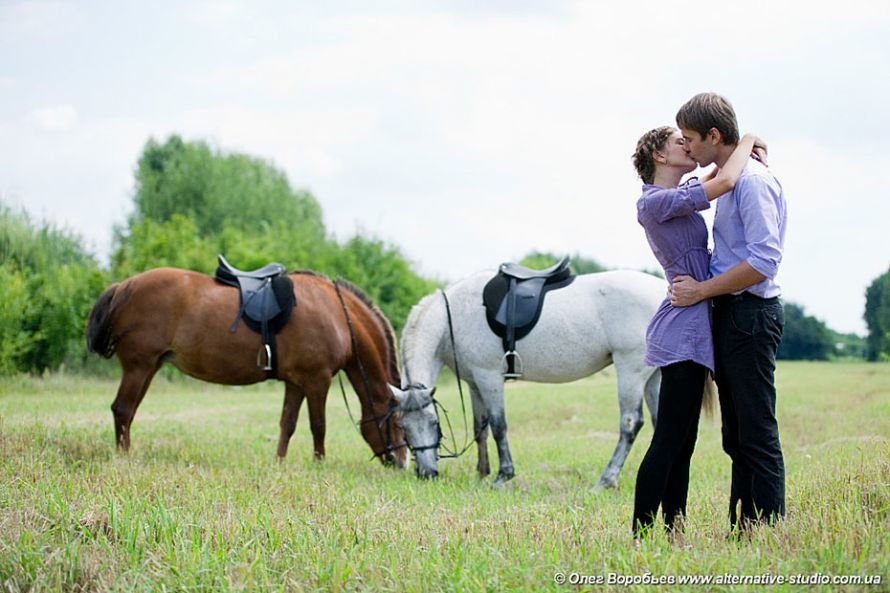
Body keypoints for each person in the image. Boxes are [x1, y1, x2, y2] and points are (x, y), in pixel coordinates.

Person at [631, 125, 762, 544]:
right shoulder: (652, 203)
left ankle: (673, 531)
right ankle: (642, 533)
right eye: (677, 142)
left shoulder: (679, 194)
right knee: (670, 437)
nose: (686, 145)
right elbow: (724, 181)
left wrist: (739, 153)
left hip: (693, 320)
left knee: (683, 440)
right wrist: (746, 140)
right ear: (659, 156)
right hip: (682, 326)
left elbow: (714, 181)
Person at [670, 92, 787, 533]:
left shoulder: (753, 183)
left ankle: (769, 530)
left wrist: (701, 290)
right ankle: (744, 528)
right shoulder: (731, 176)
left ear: (713, 136)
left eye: (690, 139)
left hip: (750, 316)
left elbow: (762, 262)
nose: (687, 147)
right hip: (732, 313)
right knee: (736, 435)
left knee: (756, 431)